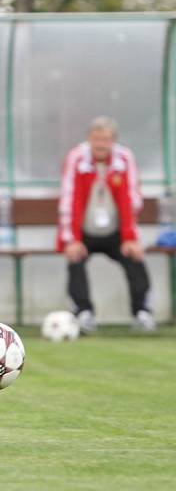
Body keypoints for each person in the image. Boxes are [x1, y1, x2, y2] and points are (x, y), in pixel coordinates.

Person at [57, 116, 154, 333]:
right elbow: (68, 198)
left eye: (105, 139)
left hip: (116, 231)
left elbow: (131, 199)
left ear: (113, 141)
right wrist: (72, 239)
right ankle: (83, 312)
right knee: (74, 258)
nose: (100, 144)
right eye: (96, 139)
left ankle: (142, 312)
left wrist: (130, 238)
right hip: (83, 231)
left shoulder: (125, 159)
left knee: (134, 257)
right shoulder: (76, 158)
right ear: (89, 139)